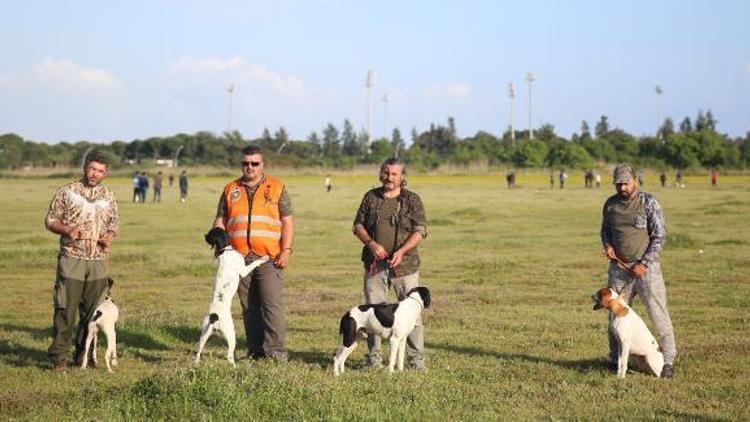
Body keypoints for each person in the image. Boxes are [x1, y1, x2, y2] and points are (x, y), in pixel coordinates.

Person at [213, 145, 294, 361]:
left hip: (269, 258)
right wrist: (219, 246)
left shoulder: (276, 187)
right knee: (249, 308)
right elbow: (221, 219)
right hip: (238, 259)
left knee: (271, 305)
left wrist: (286, 250)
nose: (249, 167)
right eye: (245, 163)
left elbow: (287, 221)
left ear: (262, 165)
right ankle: (255, 352)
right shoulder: (230, 189)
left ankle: (276, 353)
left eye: (254, 163)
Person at [45, 150, 120, 372]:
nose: (95, 174)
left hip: (98, 260)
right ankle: (59, 359)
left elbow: (114, 224)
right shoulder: (67, 191)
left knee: (92, 313)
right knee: (65, 309)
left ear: (105, 173)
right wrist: (67, 229)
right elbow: (50, 220)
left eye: (100, 171)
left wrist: (110, 236)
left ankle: (84, 356)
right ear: (85, 167)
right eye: (92, 168)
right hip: (72, 258)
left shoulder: (108, 195)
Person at [600, 164, 676, 378]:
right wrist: (608, 246)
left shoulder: (648, 202)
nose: (623, 187)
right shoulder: (610, 205)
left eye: (626, 183)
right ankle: (615, 359)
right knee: (614, 317)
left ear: (635, 180)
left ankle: (668, 361)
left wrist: (645, 263)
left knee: (658, 314)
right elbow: (605, 231)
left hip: (646, 270)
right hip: (619, 269)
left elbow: (659, 236)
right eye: (619, 184)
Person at [353, 157, 428, 371]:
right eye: (386, 173)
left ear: (402, 177)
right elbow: (357, 225)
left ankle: (416, 361)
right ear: (380, 174)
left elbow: (420, 230)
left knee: (412, 316)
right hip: (375, 265)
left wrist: (402, 251)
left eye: (394, 174)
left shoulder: (412, 200)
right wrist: (371, 244)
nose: (389, 177)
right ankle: (374, 358)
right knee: (373, 313)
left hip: (405, 266)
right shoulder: (370, 197)